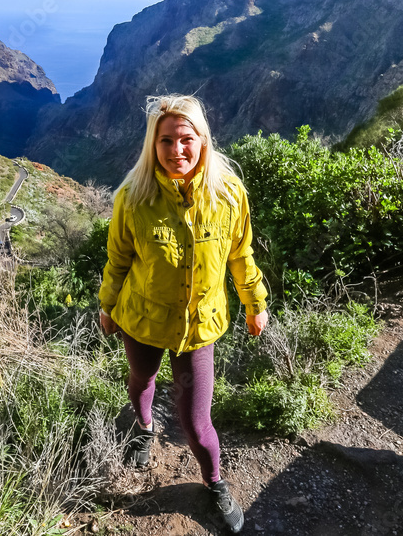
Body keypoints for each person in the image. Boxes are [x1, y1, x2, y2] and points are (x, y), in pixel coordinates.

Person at [98, 95, 269, 534]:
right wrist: (107, 304)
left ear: (203, 141)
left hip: (199, 327)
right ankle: (144, 426)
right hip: (141, 320)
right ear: (152, 146)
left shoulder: (229, 195)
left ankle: (214, 482)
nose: (177, 150)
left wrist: (255, 302)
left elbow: (241, 256)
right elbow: (118, 259)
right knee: (142, 381)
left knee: (196, 421)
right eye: (166, 140)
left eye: (186, 139)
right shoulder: (133, 199)